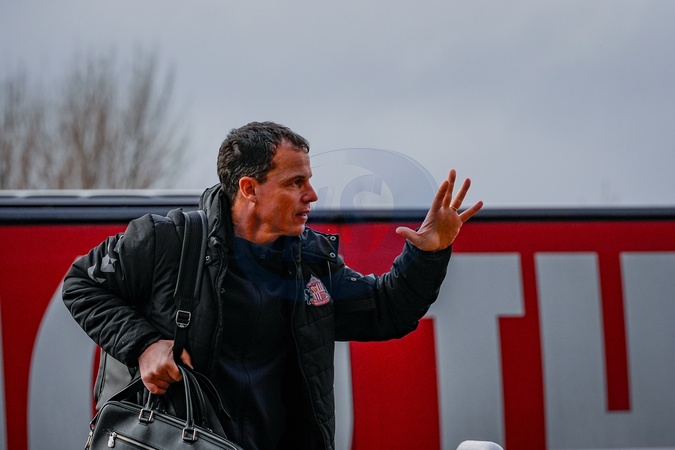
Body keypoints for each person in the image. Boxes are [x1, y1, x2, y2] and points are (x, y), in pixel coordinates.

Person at [63, 121, 483, 449]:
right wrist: (144, 345)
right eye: (295, 182)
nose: (312, 194)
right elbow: (81, 284)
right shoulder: (166, 240)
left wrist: (429, 253)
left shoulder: (312, 262)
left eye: (309, 180)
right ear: (249, 188)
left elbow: (388, 310)